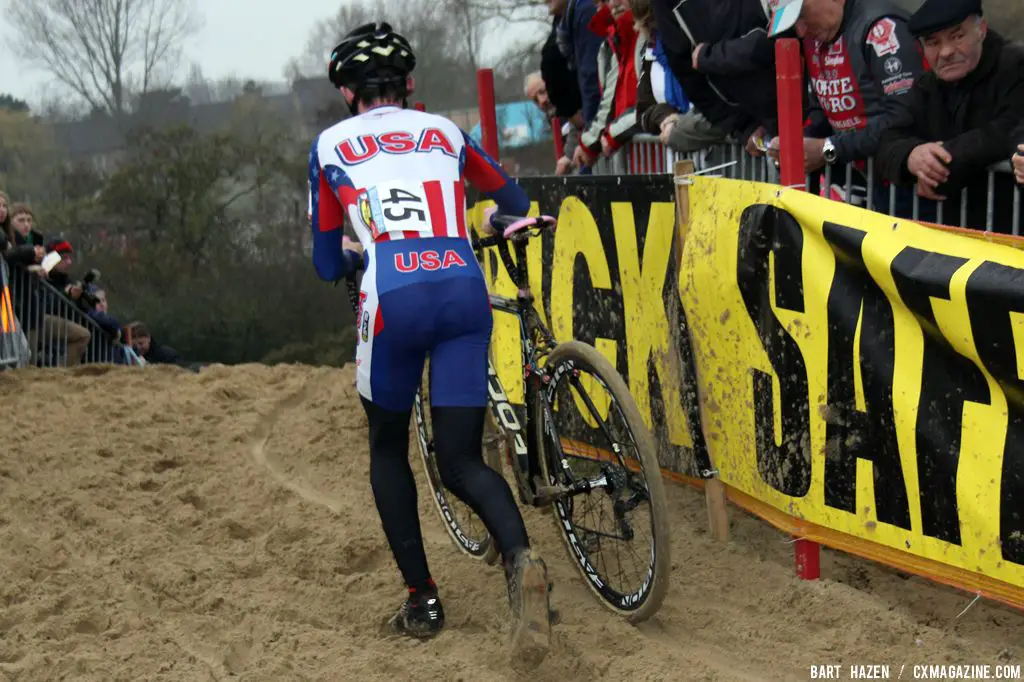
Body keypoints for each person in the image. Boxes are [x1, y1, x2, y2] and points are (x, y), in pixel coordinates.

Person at [308, 22, 553, 661]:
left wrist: (355, 256)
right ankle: (523, 561)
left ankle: (423, 599)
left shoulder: (330, 143)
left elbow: (326, 263)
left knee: (388, 449)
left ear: (345, 92)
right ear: (408, 86)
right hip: (461, 285)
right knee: (463, 461)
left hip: (394, 293)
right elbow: (513, 197)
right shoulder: (444, 131)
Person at [874, 0, 1024, 231]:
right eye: (933, 43)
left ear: (981, 30)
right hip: (957, 238)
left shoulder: (1015, 66)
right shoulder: (926, 87)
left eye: (957, 37)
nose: (945, 52)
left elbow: (1009, 128)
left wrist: (941, 164)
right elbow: (888, 138)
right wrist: (912, 157)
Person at [766, 0, 927, 187]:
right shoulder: (815, 37)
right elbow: (821, 108)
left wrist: (830, 148)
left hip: (909, 181)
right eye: (793, 23)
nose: (800, 31)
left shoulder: (881, 27)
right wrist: (796, 144)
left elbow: (905, 117)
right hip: (866, 180)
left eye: (801, 15)